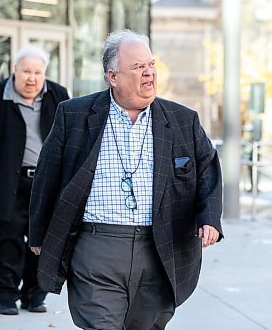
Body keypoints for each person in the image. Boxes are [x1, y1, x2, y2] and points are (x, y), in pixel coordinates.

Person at [29, 29, 223, 329]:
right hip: (97, 246)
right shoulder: (74, 115)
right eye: (137, 67)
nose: (148, 73)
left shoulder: (183, 120)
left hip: (160, 247)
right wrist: (40, 234)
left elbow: (207, 169)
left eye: (151, 65)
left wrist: (208, 218)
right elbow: (47, 175)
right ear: (113, 76)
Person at [0, 46, 70, 315]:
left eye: (37, 72)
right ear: (15, 70)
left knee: (42, 241)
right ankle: (6, 296)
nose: (31, 78)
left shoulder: (58, 96)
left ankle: (35, 295)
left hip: (45, 183)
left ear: (44, 73)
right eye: (26, 72)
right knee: (6, 240)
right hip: (7, 180)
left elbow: (72, 135)